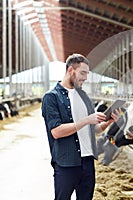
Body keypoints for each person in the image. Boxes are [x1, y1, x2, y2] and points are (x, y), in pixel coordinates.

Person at [41, 53, 120, 200]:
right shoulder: (51, 97)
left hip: (87, 161)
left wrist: (108, 122)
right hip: (66, 163)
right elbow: (56, 132)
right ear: (70, 70)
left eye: (87, 74)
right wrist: (86, 120)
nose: (85, 78)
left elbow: (93, 130)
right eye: (82, 73)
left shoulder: (84, 97)